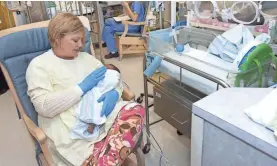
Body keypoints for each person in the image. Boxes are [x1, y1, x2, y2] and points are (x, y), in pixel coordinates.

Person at [26, 13, 145, 166]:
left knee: (135, 109)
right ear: (56, 39)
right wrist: (81, 88)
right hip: (70, 131)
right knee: (86, 148)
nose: (81, 44)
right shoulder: (39, 66)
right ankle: (104, 156)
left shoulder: (86, 59)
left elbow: (113, 79)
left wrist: (115, 93)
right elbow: (44, 107)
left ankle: (103, 159)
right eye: (75, 40)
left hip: (104, 119)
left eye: (82, 39)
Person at [70, 64, 122, 141]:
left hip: (103, 93)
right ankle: (91, 123)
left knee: (97, 105)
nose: (105, 67)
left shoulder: (91, 60)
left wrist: (117, 92)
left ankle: (92, 123)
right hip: (91, 92)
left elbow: (117, 82)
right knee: (92, 103)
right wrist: (80, 88)